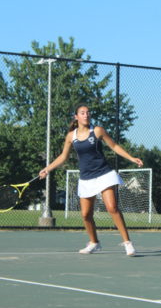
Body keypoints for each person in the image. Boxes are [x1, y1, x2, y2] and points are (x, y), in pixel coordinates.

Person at [39, 104, 143, 256]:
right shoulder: (71, 136)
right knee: (86, 215)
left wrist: (131, 158)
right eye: (82, 113)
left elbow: (114, 146)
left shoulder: (97, 130)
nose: (86, 115)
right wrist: (47, 169)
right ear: (76, 117)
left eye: (88, 113)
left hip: (104, 174)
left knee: (112, 208)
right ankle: (94, 243)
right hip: (86, 178)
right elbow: (63, 157)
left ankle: (128, 243)